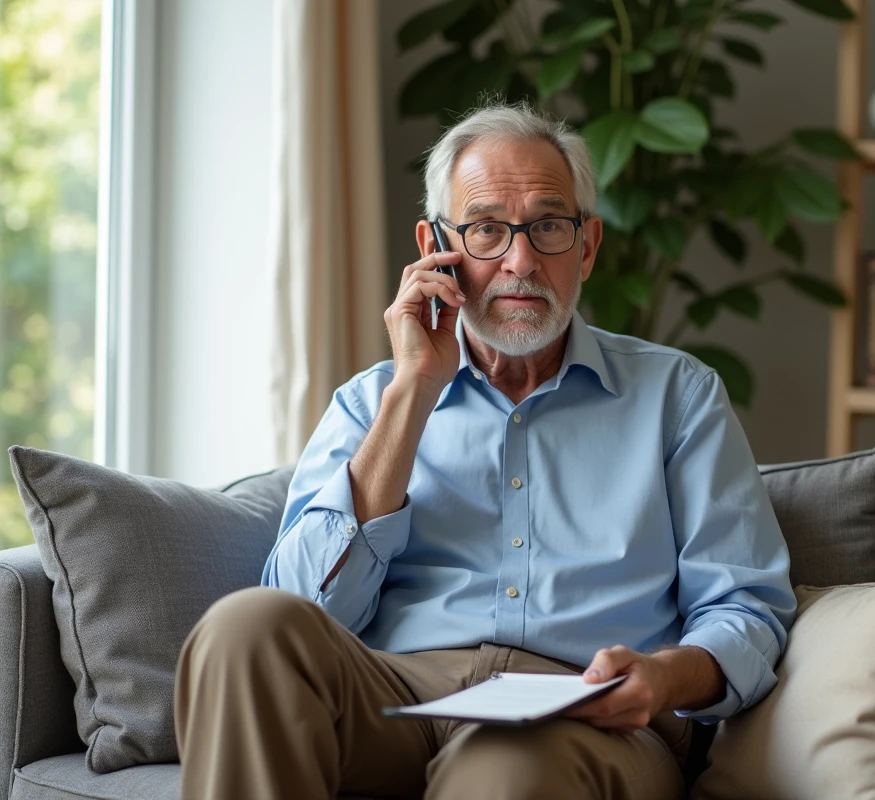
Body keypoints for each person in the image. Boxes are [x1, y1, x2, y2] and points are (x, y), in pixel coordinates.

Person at [173, 101, 796, 800]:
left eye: (548, 227)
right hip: (399, 696)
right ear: (435, 245)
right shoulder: (371, 401)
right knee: (245, 625)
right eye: (487, 230)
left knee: (508, 768)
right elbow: (302, 607)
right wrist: (414, 389)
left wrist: (663, 677)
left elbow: (746, 608)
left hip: (582, 715)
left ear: (586, 246)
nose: (520, 261)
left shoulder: (678, 396)